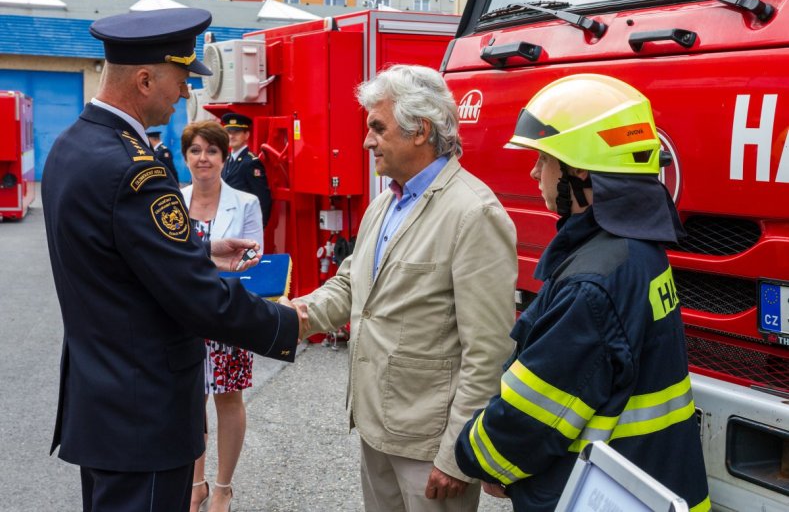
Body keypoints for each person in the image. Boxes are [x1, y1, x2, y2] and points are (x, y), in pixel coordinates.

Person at [41, 8, 301, 512]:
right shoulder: (135, 170)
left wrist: (201, 249)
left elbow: (110, 253)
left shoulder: (72, 146)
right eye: (181, 79)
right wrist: (290, 322)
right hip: (145, 414)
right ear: (144, 79)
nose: (185, 93)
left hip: (103, 403)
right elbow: (196, 294)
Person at [454, 74, 711, 512]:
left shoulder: (593, 283)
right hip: (646, 485)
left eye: (544, 158)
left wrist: (477, 459)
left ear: (579, 171)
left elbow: (529, 417)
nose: (534, 171)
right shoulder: (638, 250)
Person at [292, 65, 517, 512]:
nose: (366, 140)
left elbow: (487, 351)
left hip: (429, 445)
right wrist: (287, 316)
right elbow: (352, 286)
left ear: (421, 131)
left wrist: (456, 455)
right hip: (377, 428)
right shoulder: (385, 202)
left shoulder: (473, 214)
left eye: (377, 127)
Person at [179, 120, 263, 512]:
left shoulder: (245, 203)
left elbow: (252, 262)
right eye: (195, 150)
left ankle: (224, 488)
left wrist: (219, 271)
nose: (203, 158)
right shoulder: (172, 203)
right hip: (181, 318)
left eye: (211, 151)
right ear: (185, 158)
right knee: (190, 400)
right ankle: (195, 483)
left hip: (227, 315)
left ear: (224, 158)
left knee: (228, 399)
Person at [221, 113, 273, 227]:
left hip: (244, 223)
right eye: (229, 132)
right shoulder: (226, 160)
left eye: (236, 132)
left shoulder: (251, 162)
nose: (231, 136)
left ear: (246, 135)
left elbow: (263, 198)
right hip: (227, 222)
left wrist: (258, 227)